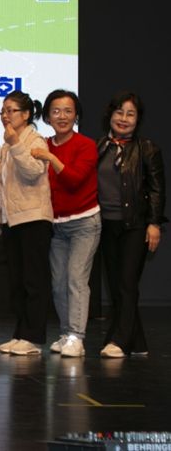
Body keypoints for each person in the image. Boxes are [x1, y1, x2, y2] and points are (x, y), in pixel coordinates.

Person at [96, 91, 166, 358]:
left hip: (135, 225)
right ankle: (137, 342)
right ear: (110, 115)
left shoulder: (147, 148)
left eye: (130, 114)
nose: (123, 119)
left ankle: (119, 340)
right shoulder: (100, 146)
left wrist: (154, 223)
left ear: (138, 120)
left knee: (127, 283)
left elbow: (157, 189)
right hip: (105, 225)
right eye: (119, 112)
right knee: (116, 285)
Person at [30, 89, 100, 358]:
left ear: (76, 115)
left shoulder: (86, 145)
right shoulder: (42, 144)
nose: (62, 116)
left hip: (85, 222)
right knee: (58, 283)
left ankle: (77, 337)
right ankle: (65, 333)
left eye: (68, 111)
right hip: (56, 225)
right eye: (56, 111)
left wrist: (50, 158)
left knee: (76, 279)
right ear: (47, 116)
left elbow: (73, 180)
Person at [0, 90, 53, 356]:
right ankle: (21, 333)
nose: (6, 116)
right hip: (12, 219)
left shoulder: (34, 139)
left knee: (34, 281)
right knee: (17, 281)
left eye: (11, 110)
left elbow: (33, 171)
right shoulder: (8, 143)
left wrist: (16, 144)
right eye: (3, 111)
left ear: (26, 114)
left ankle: (33, 337)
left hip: (33, 218)